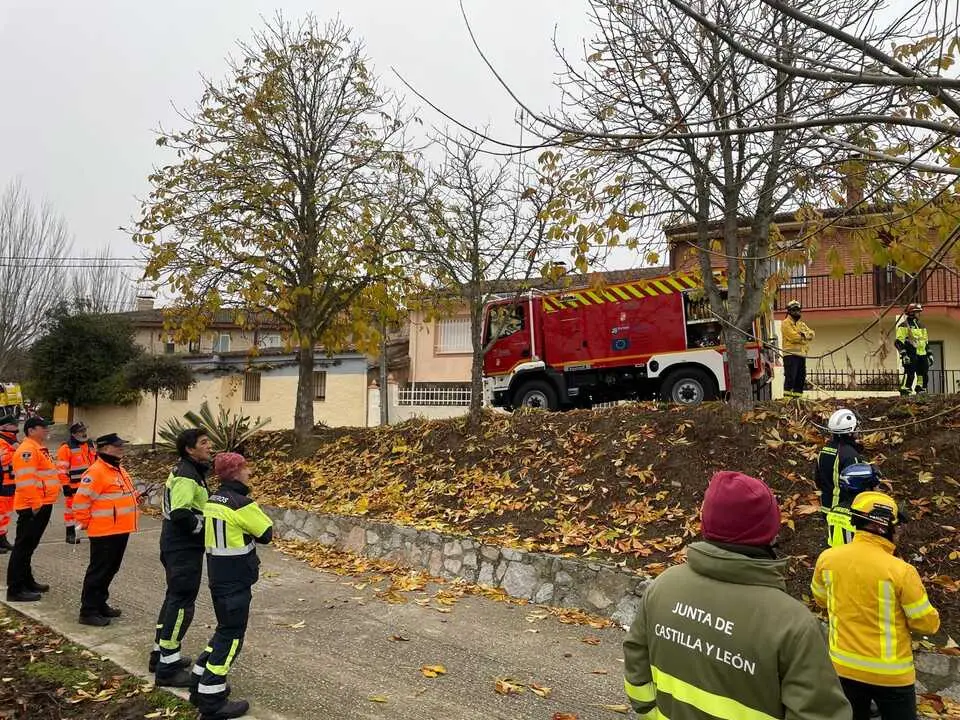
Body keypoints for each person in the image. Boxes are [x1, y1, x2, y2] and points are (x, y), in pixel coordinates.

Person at [623, 470, 851, 720]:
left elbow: (637, 661)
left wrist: (650, 713)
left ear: (706, 521)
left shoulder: (663, 586)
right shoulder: (793, 624)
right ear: (769, 531)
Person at [812, 491, 940, 720]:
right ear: (884, 527)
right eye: (897, 526)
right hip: (892, 677)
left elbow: (821, 599)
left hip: (842, 668)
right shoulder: (902, 571)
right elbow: (927, 624)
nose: (899, 531)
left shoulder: (827, 559)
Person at [190, 452, 273, 720]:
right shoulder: (241, 503)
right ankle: (212, 700)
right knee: (232, 636)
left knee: (224, 630)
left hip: (217, 575)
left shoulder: (214, 499)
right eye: (246, 468)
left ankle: (199, 679)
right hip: (237, 578)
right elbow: (266, 534)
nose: (249, 472)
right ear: (236, 471)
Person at [151, 428, 213, 684]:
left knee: (173, 598)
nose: (210, 446)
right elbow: (180, 513)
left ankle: (160, 654)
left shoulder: (188, 470)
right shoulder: (187, 475)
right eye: (203, 442)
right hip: (183, 548)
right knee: (181, 603)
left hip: (177, 545)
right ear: (189, 449)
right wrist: (203, 530)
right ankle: (168, 666)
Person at [72, 433, 139, 627]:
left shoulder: (117, 469)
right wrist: (84, 522)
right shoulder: (96, 472)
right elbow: (81, 500)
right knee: (99, 570)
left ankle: (100, 603)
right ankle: (88, 611)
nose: (121, 448)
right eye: (117, 446)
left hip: (119, 529)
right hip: (104, 531)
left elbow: (122, 493)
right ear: (104, 448)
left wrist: (135, 499)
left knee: (111, 568)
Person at [6, 416, 60, 602]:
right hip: (33, 506)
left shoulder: (38, 448)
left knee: (29, 547)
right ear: (31, 430)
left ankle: (26, 581)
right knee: (23, 547)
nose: (46, 430)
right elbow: (25, 481)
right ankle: (15, 589)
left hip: (42, 504)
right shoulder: (27, 450)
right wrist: (36, 504)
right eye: (42, 427)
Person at [815, 409, 868, 547]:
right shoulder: (851, 455)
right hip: (844, 513)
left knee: (832, 544)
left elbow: (818, 481)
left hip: (827, 508)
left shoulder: (824, 450)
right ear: (850, 431)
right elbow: (857, 487)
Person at [57, 421, 97, 544]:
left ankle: (94, 533)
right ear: (73, 434)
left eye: (84, 430)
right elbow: (61, 469)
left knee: (92, 509)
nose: (84, 433)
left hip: (91, 485)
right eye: (81, 431)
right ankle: (70, 534)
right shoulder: (66, 448)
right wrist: (65, 485)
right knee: (71, 511)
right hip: (74, 486)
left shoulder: (90, 445)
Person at [781, 299, 816, 399]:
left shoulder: (801, 324)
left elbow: (812, 334)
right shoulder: (785, 323)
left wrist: (803, 335)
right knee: (790, 378)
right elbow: (793, 337)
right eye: (794, 310)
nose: (797, 312)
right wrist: (804, 337)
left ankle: (797, 399)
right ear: (789, 311)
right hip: (790, 355)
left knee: (800, 378)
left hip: (801, 354)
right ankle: (787, 400)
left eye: (798, 310)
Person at [895, 304, 932, 396]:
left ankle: (921, 390)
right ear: (911, 313)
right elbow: (899, 342)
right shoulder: (903, 325)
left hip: (922, 354)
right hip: (910, 354)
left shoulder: (922, 325)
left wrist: (929, 354)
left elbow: (925, 341)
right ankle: (905, 390)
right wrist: (904, 355)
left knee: (923, 374)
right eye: (917, 312)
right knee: (910, 373)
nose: (919, 314)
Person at [0, 415, 19, 554]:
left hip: (11, 482)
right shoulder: (2, 441)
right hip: (3, 483)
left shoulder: (12, 440)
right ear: (5, 427)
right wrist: (17, 451)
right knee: (1, 513)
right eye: (13, 424)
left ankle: (2, 538)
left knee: (6, 513)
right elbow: (5, 459)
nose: (16, 426)